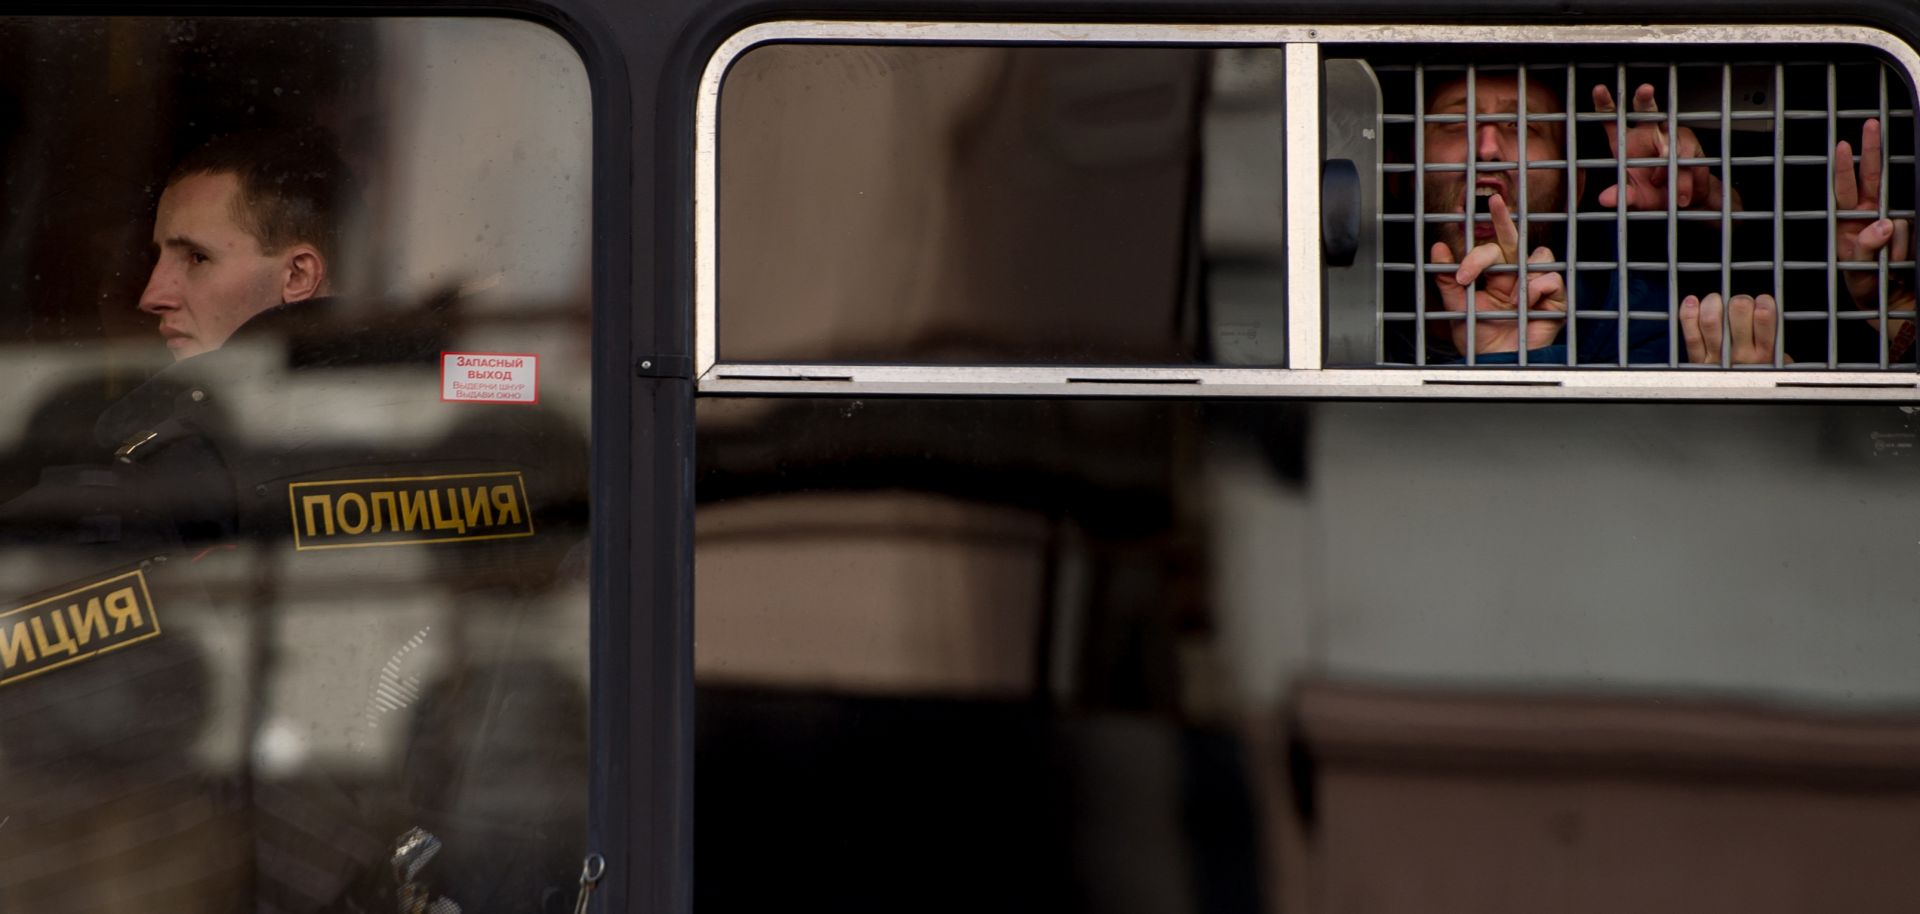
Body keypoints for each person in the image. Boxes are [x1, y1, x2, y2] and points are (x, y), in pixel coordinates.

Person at [0, 129, 589, 914]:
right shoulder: (467, 394)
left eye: (195, 259)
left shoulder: (465, 410)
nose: (153, 292)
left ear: (299, 274)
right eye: (160, 256)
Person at [1414, 73, 1745, 365]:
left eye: (1522, 124)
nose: (1486, 149)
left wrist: (1509, 356)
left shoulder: (1631, 320)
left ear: (1572, 187)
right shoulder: (1363, 312)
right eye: (1455, 121)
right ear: (1398, 175)